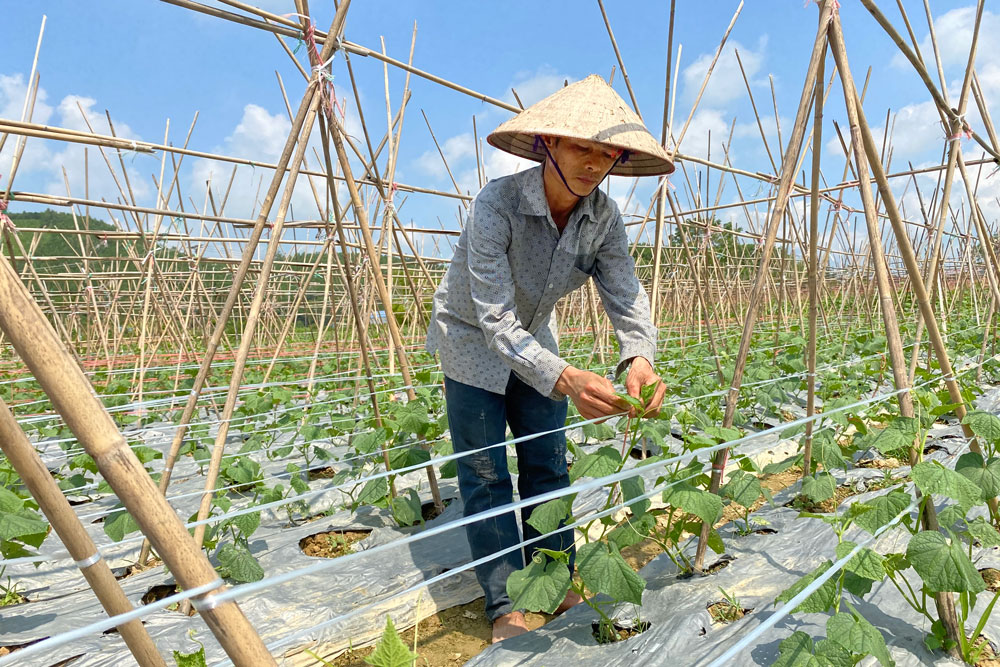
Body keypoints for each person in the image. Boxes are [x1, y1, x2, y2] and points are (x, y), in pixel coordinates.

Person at [425, 74, 673, 643]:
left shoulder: (603, 218)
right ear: (547, 147)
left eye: (606, 152)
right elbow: (492, 318)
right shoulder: (498, 205)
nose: (594, 163)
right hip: (469, 343)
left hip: (536, 338)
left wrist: (639, 356)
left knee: (548, 462)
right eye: (580, 147)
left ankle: (554, 579)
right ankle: (505, 601)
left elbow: (626, 294)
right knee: (487, 474)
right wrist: (563, 377)